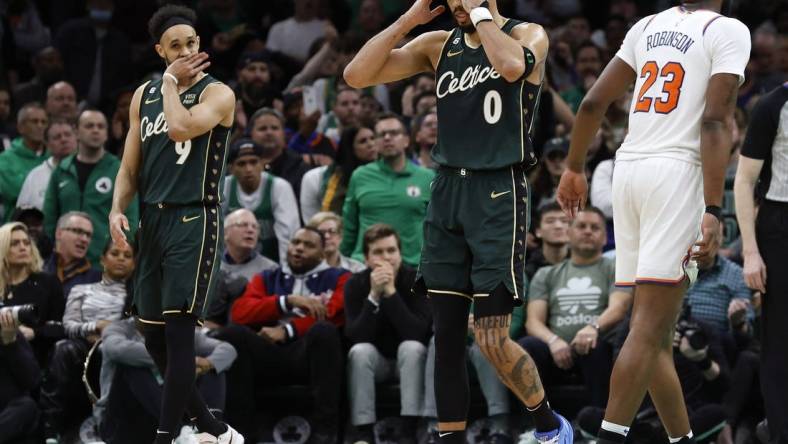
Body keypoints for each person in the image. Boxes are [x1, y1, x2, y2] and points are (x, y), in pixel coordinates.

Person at [344, 0, 573, 442]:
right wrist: (410, 20)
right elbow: (356, 75)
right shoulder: (438, 43)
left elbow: (509, 68)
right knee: (445, 336)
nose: (457, 5)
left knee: (491, 338)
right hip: (448, 188)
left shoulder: (530, 35)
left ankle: (549, 427)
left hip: (498, 191)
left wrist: (483, 16)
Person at [556, 2, 750, 443]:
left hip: (628, 170)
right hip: (676, 175)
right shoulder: (727, 30)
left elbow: (592, 103)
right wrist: (714, 209)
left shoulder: (646, 26)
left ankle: (681, 439)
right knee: (645, 329)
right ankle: (609, 438)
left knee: (656, 333)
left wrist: (573, 167)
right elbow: (716, 119)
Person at [107, 5, 241, 444]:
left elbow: (183, 129)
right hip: (152, 217)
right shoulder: (142, 97)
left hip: (194, 215)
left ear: (199, 45)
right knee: (151, 334)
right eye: (176, 46)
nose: (186, 51)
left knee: (180, 331)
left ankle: (166, 436)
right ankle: (214, 429)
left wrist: (169, 84)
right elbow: (130, 166)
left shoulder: (217, 93)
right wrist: (115, 209)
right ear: (160, 50)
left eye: (192, 42)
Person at [215, 227, 349, 443]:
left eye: (308, 245)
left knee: (324, 331)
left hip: (310, 354)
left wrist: (288, 331)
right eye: (296, 243)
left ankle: (326, 433)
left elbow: (335, 314)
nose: (299, 248)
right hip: (270, 352)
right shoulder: (268, 277)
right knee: (232, 334)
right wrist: (286, 301)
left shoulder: (340, 277)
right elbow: (239, 313)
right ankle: (241, 434)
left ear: (323, 254)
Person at [521, 207, 633, 408]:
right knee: (527, 347)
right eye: (581, 226)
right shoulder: (546, 274)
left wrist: (593, 328)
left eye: (595, 227)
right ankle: (534, 426)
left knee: (593, 346)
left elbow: (619, 308)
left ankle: (598, 425)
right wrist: (553, 340)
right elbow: (533, 321)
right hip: (555, 350)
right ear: (569, 233)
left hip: (597, 347)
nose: (588, 231)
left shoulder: (615, 267)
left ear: (605, 237)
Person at [734, 82, 788, 441]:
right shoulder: (774, 103)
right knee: (780, 338)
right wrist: (750, 251)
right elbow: (744, 180)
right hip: (779, 225)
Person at [40, 240, 135, 443]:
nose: (120, 259)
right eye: (115, 253)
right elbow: (68, 325)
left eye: (127, 256)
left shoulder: (138, 295)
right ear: (102, 259)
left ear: (135, 264)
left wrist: (110, 334)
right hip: (82, 346)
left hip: (118, 347)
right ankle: (51, 431)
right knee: (62, 349)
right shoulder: (82, 290)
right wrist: (95, 326)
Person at [344, 224, 431, 443]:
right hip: (378, 363)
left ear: (400, 254)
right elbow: (356, 336)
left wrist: (390, 292)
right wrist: (374, 295)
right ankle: (363, 432)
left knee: (411, 347)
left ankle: (410, 428)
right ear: (366, 258)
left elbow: (417, 332)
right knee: (359, 351)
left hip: (411, 361)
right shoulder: (355, 284)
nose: (386, 258)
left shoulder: (417, 281)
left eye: (391, 251)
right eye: (378, 252)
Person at [98, 317, 237, 444]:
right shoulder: (118, 329)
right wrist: (182, 359)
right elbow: (116, 350)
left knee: (212, 364)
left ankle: (211, 428)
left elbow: (227, 349)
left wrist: (207, 364)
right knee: (131, 366)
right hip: (121, 421)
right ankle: (177, 433)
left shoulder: (176, 330)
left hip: (162, 418)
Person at [43, 109, 139, 265]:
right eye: (89, 126)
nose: (95, 130)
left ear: (107, 134)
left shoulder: (119, 170)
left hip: (103, 261)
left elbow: (131, 218)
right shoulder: (61, 170)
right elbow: (50, 219)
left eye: (101, 127)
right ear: (76, 132)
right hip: (64, 261)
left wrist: (118, 252)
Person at [340, 113, 434, 267]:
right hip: (365, 266)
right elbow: (349, 225)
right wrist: (343, 262)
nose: (387, 138)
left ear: (406, 140)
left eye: (394, 133)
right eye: (381, 134)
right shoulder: (360, 175)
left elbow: (441, 228)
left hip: (413, 267)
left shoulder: (427, 178)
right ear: (376, 142)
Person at [222, 137, 299, 264]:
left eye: (254, 162)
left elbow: (288, 236)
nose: (248, 169)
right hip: (231, 265)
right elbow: (215, 233)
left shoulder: (279, 187)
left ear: (262, 164)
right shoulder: (225, 187)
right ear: (231, 168)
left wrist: (286, 273)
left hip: (272, 265)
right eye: (241, 164)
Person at [0, 222, 65, 366]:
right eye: (14, 243)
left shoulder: (48, 283)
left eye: (26, 243)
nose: (23, 247)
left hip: (36, 358)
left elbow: (61, 327)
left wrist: (34, 333)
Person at [204, 208, 279, 328]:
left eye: (255, 227)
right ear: (225, 233)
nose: (250, 230)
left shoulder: (271, 270)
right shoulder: (207, 264)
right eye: (243, 225)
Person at [299, 125, 378, 223]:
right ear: (350, 148)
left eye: (373, 138)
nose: (371, 144)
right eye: (363, 141)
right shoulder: (334, 178)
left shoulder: (387, 171)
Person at [248, 107, 313, 199]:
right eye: (262, 129)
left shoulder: (300, 168)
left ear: (283, 133)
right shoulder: (240, 165)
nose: (269, 132)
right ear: (251, 134)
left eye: (274, 128)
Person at [0, 103, 48, 222]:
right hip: (18, 227)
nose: (40, 126)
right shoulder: (5, 160)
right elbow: (18, 192)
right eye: (34, 121)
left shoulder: (54, 157)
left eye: (44, 122)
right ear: (21, 127)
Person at [16, 118, 77, 211]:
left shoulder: (88, 168)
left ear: (77, 138)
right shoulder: (35, 176)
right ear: (47, 144)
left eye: (68, 135)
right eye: (57, 137)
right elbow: (22, 214)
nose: (63, 140)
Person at [0, 308, 41, 444]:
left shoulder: (9, 331)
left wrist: (11, 343)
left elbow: (32, 381)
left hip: (8, 417)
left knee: (27, 407)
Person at [525, 202, 570, 280]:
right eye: (550, 221)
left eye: (564, 221)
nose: (558, 226)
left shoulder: (583, 264)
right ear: (538, 231)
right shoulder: (528, 272)